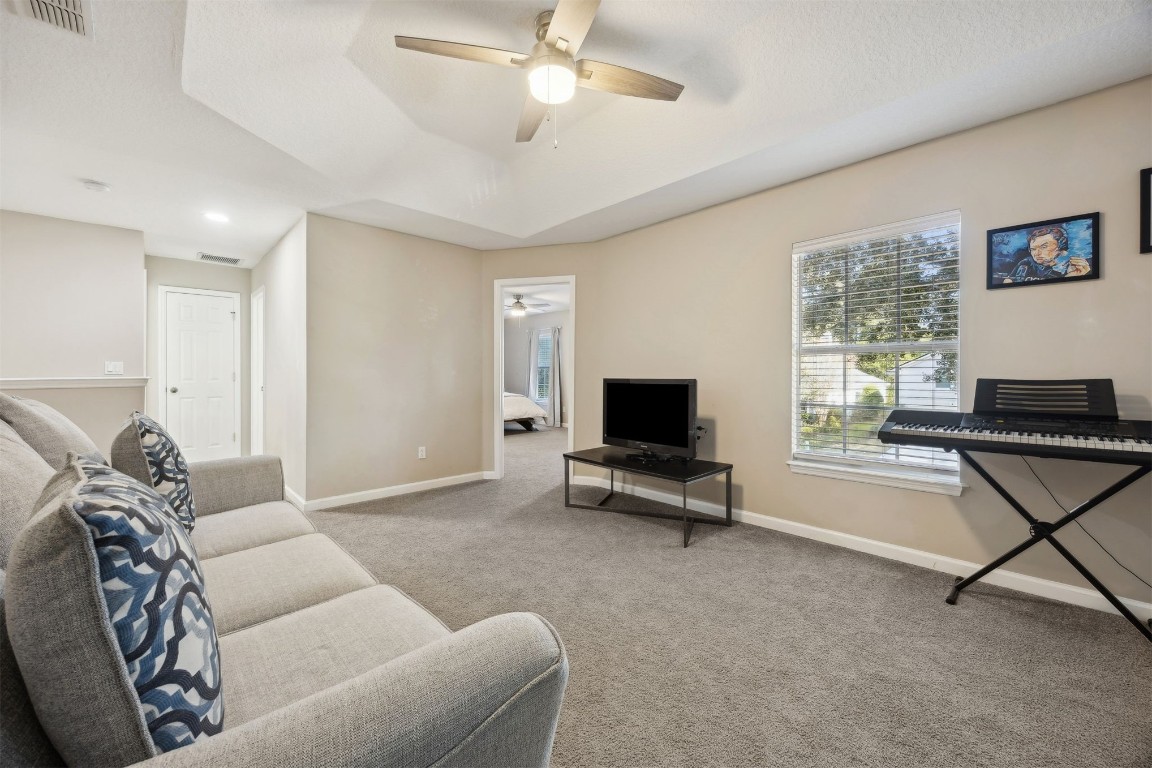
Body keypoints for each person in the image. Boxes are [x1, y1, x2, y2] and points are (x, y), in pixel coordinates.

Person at [1002, 225, 1091, 283]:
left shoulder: (1075, 266)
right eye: (1033, 249)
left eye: (1043, 247)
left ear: (1061, 246)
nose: (1037, 253)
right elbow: (1008, 282)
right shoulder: (1027, 263)